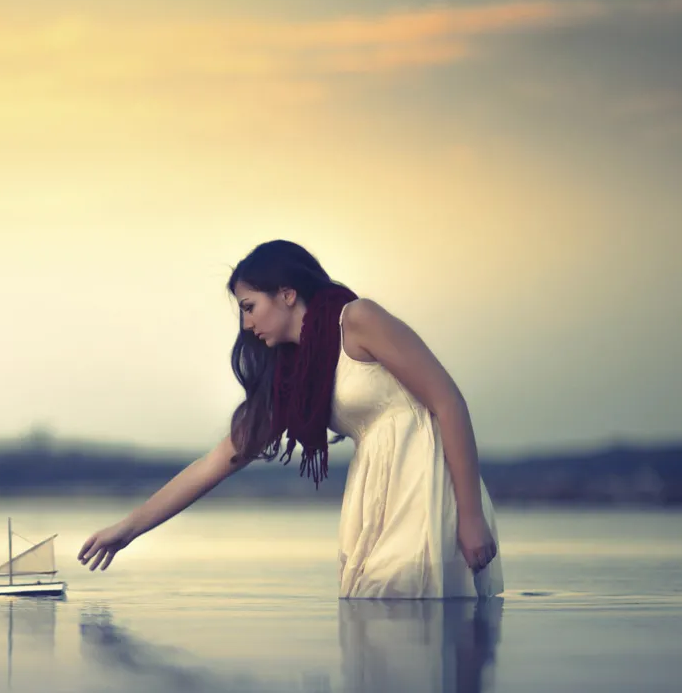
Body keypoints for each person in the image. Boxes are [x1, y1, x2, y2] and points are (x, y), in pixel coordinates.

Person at [77, 239, 503, 598]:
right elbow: (214, 463)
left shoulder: (358, 319)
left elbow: (448, 402)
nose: (246, 324)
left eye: (249, 306)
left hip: (427, 482)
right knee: (380, 644)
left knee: (420, 634)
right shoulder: (292, 377)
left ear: (286, 294)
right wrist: (128, 529)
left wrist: (469, 516)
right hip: (375, 493)